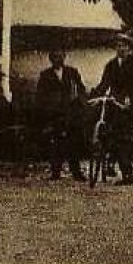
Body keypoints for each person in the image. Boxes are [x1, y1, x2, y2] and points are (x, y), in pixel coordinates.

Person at [91, 35, 133, 184]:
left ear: (130, 49)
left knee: (125, 139)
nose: (121, 49)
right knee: (109, 133)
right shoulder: (111, 65)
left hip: (129, 106)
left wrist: (132, 99)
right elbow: (104, 84)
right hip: (114, 104)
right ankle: (111, 161)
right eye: (118, 46)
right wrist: (94, 96)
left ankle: (128, 175)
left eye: (124, 46)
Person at [36, 50, 86, 181]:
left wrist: (80, 105)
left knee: (73, 143)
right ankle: (55, 172)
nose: (58, 59)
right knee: (56, 143)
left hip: (70, 113)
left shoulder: (72, 72)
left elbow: (81, 90)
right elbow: (40, 96)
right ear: (51, 59)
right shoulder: (45, 75)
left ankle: (76, 172)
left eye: (60, 56)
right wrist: (48, 110)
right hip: (54, 115)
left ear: (64, 57)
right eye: (55, 57)